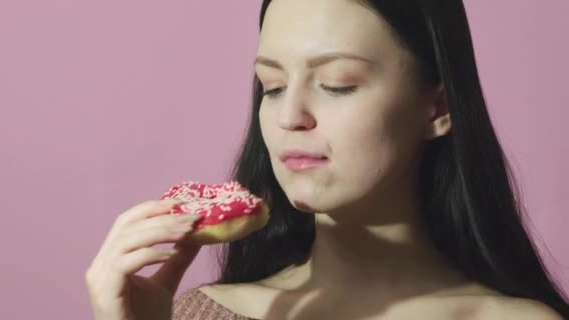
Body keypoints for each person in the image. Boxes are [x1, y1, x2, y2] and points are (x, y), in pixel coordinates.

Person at [86, 0, 569, 319]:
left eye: (338, 83)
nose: (289, 116)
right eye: (272, 87)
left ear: (437, 108)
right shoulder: (198, 313)